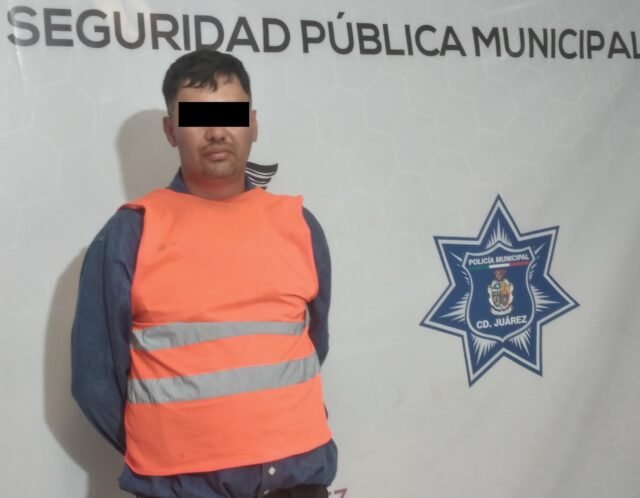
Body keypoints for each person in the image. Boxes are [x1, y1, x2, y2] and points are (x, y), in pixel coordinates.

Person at [71, 49, 337, 498]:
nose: (216, 132)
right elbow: (95, 379)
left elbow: (314, 343)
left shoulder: (299, 225)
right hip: (182, 489)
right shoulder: (132, 231)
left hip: (299, 483)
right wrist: (164, 450)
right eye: (197, 118)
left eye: (230, 114)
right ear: (170, 131)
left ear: (253, 124)